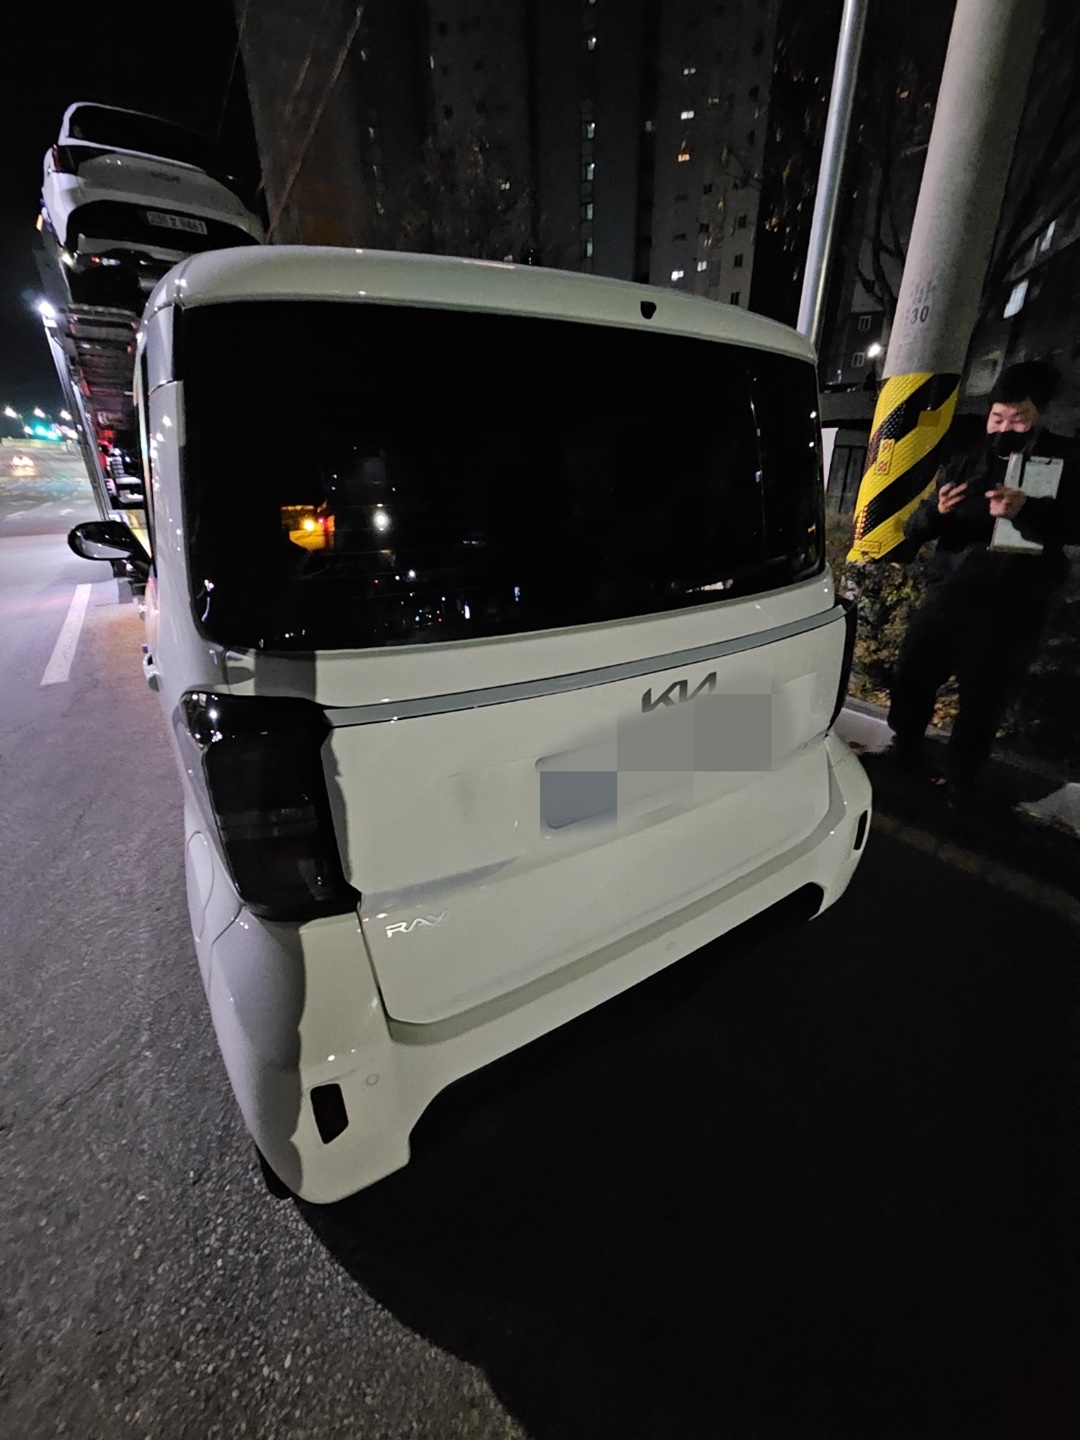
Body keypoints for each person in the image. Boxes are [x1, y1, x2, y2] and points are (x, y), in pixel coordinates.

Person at [887, 360, 1080, 803]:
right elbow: (916, 528)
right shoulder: (966, 458)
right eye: (998, 417)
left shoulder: (1066, 460)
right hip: (949, 595)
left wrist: (1027, 511)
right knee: (914, 675)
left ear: (1039, 414)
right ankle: (905, 749)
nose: (1005, 427)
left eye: (1018, 418)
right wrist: (936, 512)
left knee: (985, 697)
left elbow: (1075, 525)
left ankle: (962, 778)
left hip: (1014, 603)